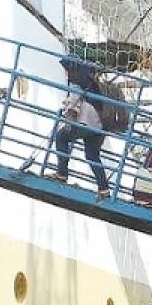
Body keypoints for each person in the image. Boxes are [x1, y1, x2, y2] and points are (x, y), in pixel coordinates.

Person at [49, 57, 110, 199]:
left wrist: (68, 125)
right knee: (92, 155)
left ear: (72, 70)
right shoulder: (91, 82)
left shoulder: (76, 83)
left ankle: (62, 173)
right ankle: (104, 188)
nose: (65, 73)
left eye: (66, 70)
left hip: (86, 122)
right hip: (100, 124)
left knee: (61, 137)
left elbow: (73, 105)